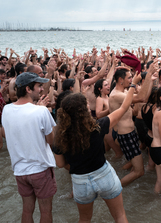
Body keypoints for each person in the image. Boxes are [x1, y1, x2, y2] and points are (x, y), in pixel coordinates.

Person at [53, 72, 141, 223]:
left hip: (80, 181)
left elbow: (60, 164)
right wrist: (133, 85)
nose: (89, 106)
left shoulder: (60, 136)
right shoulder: (97, 127)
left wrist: (78, 164)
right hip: (103, 174)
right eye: (86, 105)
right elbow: (124, 107)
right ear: (83, 111)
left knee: (85, 219)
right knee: (120, 216)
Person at [2, 72, 56, 222]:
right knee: (46, 211)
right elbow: (51, 140)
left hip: (19, 171)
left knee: (27, 209)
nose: (41, 89)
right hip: (40, 169)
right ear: (28, 89)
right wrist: (46, 112)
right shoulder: (41, 111)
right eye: (38, 86)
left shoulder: (6, 109)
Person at [109, 64, 157, 186]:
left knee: (134, 163)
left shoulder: (123, 91)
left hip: (129, 132)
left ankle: (117, 175)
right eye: (129, 78)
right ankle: (115, 190)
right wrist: (148, 74)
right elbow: (141, 98)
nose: (131, 80)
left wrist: (149, 81)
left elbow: (143, 99)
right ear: (120, 80)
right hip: (125, 135)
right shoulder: (117, 95)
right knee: (139, 171)